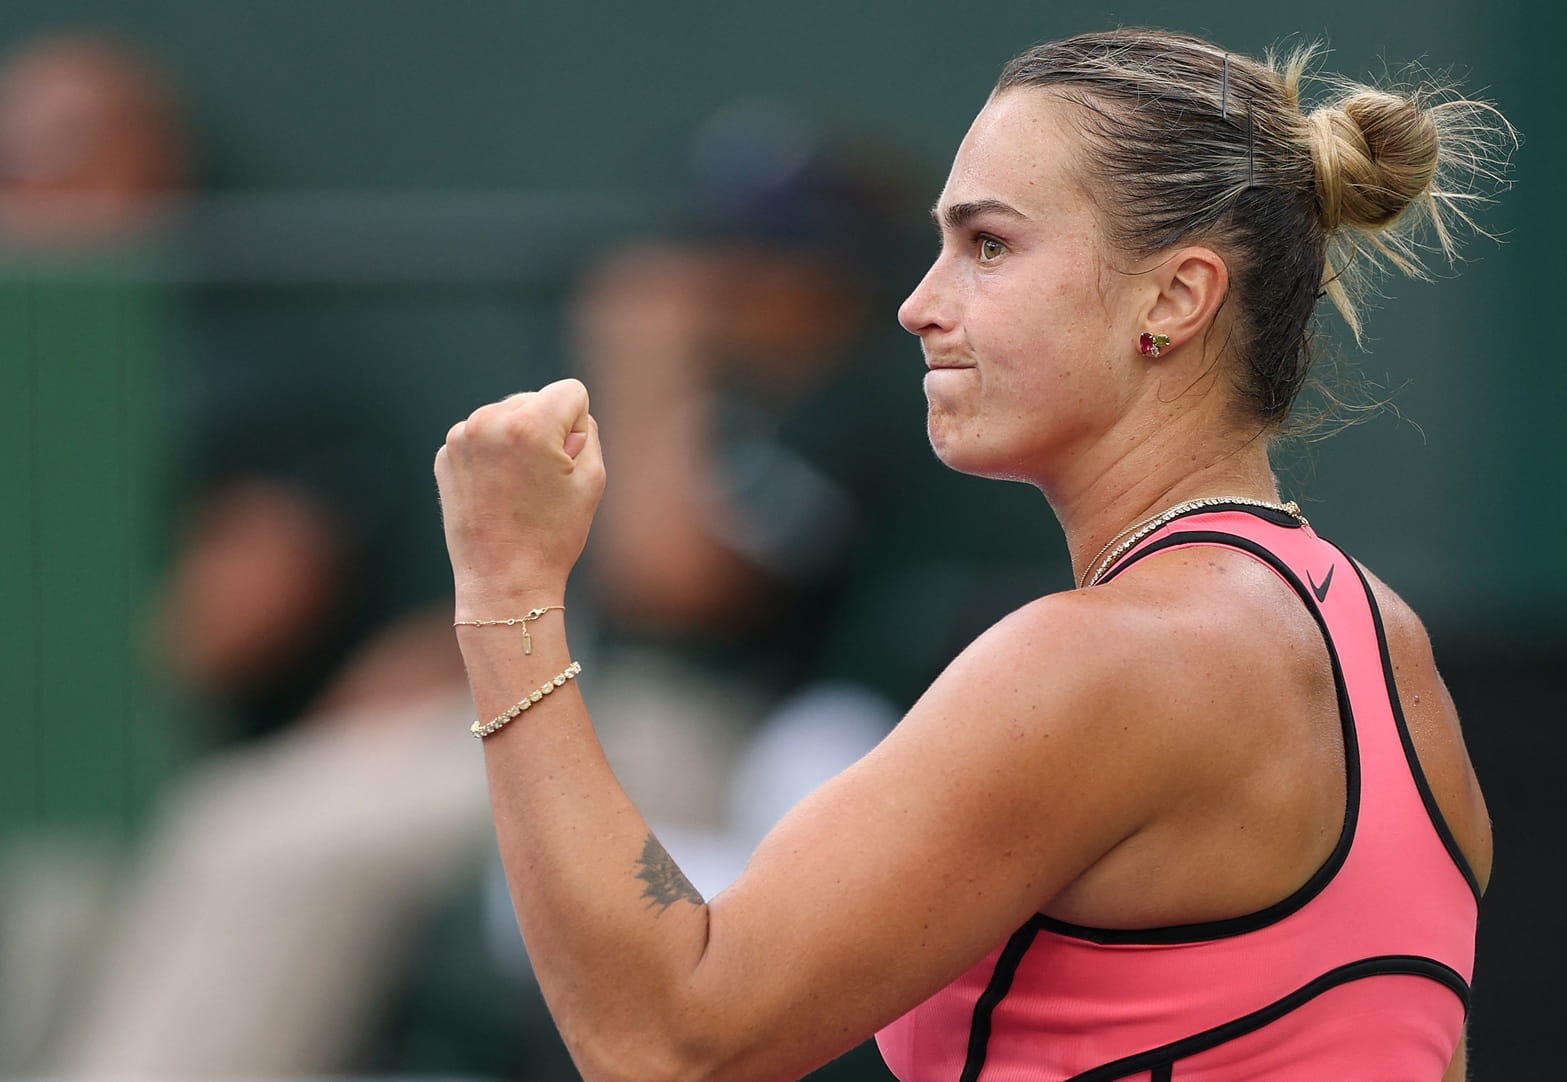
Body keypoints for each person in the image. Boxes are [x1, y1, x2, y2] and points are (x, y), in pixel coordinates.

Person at [434, 27, 1507, 1082]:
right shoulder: (1393, 655)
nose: (919, 305)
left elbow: (667, 1043)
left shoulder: (1106, 662)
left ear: (1175, 298)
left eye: (989, 245)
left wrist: (506, 586)